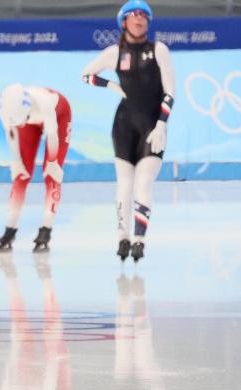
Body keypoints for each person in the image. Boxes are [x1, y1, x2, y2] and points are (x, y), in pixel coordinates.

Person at [81, 0, 175, 262]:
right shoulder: (115, 52)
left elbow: (169, 92)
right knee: (124, 184)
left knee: (144, 183)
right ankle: (122, 238)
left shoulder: (159, 50)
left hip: (152, 128)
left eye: (145, 15)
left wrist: (161, 124)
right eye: (134, 14)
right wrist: (110, 85)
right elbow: (86, 75)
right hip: (123, 127)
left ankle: (139, 240)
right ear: (123, 21)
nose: (140, 18)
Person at [0, 83, 72, 252]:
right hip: (31, 123)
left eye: (23, 118)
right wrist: (16, 160)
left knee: (52, 175)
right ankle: (11, 228)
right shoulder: (6, 110)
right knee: (21, 174)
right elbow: (11, 133)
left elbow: (53, 134)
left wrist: (53, 162)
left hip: (58, 116)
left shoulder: (45, 102)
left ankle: (46, 228)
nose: (21, 123)